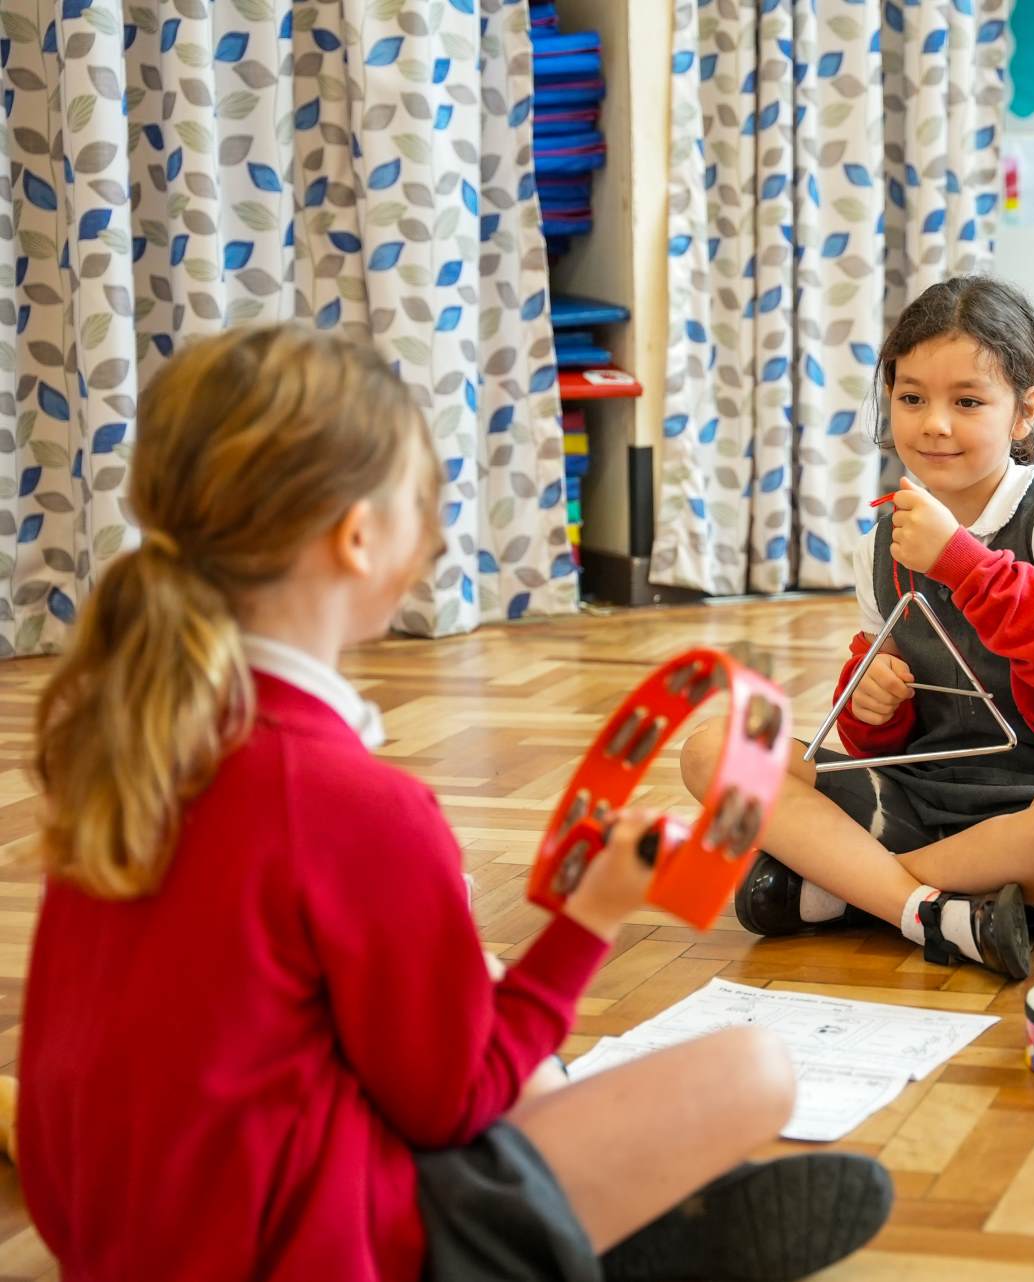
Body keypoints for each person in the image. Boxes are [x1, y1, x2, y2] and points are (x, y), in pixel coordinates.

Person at [19, 325, 891, 1281]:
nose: (434, 533)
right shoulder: (355, 804)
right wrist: (590, 915)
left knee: (476, 980)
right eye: (423, 502)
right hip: (305, 1252)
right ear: (358, 537)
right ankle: (584, 1244)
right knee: (753, 1070)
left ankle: (598, 1226)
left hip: (116, 1237)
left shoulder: (131, 741)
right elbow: (455, 1103)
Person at [683, 276, 1034, 980]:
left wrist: (961, 562)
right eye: (911, 398)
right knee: (712, 748)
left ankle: (852, 889)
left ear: (1024, 412)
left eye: (967, 402)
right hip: (919, 809)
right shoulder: (881, 541)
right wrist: (871, 697)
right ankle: (928, 910)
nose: (935, 423)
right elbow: (870, 743)